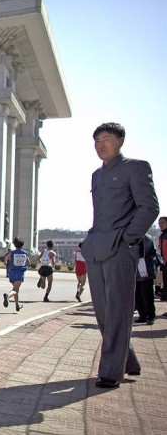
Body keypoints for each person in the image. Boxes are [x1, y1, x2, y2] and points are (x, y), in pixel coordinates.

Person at [81, 122, 159, 389]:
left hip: (120, 249)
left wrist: (128, 239)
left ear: (121, 141)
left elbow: (150, 208)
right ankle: (128, 361)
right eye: (96, 140)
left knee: (118, 310)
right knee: (104, 312)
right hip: (96, 249)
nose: (100, 144)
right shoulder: (96, 175)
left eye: (106, 139)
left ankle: (111, 372)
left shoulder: (136, 168)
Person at [134, 234, 161, 326]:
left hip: (146, 271)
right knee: (138, 295)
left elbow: (142, 252)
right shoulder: (133, 238)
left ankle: (151, 316)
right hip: (136, 272)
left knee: (147, 295)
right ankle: (142, 315)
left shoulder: (146, 238)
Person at [3, 237, 30, 312]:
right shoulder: (25, 253)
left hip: (11, 273)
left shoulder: (12, 252)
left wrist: (5, 262)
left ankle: (17, 305)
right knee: (15, 290)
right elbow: (29, 262)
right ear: (22, 245)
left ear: (15, 245)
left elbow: (6, 258)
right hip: (19, 273)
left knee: (16, 289)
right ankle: (8, 296)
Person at [158, 216, 167, 306]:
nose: (160, 225)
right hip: (164, 264)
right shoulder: (162, 235)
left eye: (162, 222)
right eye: (159, 223)